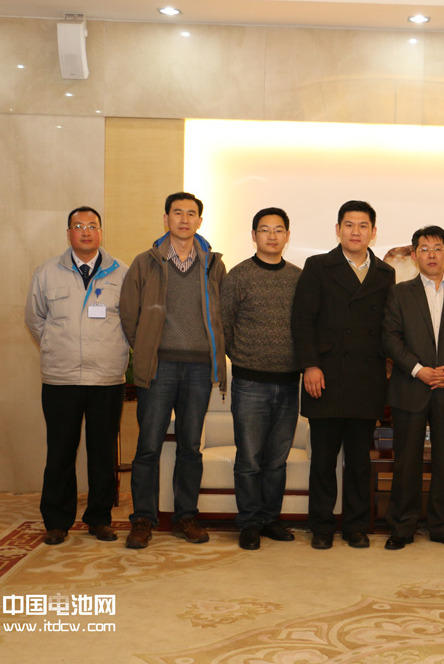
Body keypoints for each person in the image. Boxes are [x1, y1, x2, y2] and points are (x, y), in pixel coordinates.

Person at [119, 191, 227, 549]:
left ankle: (186, 517)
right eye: (177, 213)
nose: (184, 219)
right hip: (159, 367)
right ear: (166, 219)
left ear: (200, 221)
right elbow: (129, 313)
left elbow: (223, 315)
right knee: (148, 446)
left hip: (199, 368)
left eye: (191, 213)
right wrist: (146, 347)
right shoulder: (146, 263)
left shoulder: (214, 265)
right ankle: (143, 519)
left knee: (190, 446)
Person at [291, 200, 395, 550]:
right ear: (338, 230)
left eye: (363, 225)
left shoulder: (385, 273)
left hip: (366, 379)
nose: (355, 231)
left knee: (359, 461)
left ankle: (355, 525)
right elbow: (303, 319)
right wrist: (310, 365)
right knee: (323, 460)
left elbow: (387, 327)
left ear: (373, 232)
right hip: (325, 376)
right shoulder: (318, 266)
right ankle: (321, 526)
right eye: (349, 225)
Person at [25, 207, 130, 545]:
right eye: (78, 226)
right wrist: (56, 346)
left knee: (102, 453)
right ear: (68, 232)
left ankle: (99, 519)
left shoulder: (122, 273)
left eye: (92, 225)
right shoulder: (47, 272)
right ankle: (57, 521)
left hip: (106, 378)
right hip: (61, 378)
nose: (86, 231)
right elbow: (35, 319)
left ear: (101, 231)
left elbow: (131, 321)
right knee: (60, 451)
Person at [382, 225, 444, 550]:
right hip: (410, 388)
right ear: (414, 256)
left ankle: (441, 526)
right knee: (406, 462)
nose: (432, 255)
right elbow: (390, 338)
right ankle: (402, 526)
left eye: (438, 248)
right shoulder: (399, 293)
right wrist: (418, 370)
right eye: (424, 249)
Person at [221, 207, 302, 550]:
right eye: (265, 230)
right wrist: (243, 360)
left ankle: (270, 519)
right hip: (250, 383)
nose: (272, 236)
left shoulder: (298, 278)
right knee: (250, 459)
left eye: (278, 230)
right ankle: (249, 522)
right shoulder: (238, 276)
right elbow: (224, 325)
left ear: (287, 236)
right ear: (254, 235)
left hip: (289, 382)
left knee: (276, 460)